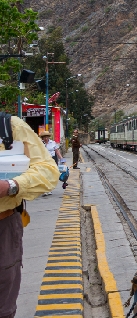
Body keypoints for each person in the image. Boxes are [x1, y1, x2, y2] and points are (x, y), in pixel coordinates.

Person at [0, 113, 59, 318]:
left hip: (3, 225)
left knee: (3, 306)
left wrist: (11, 186)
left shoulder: (10, 127)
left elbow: (48, 171)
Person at [40, 131, 62, 197]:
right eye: (44, 137)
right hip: (44, 160)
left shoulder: (53, 143)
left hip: (52, 160)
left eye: (47, 137)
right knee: (44, 175)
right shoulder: (41, 143)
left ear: (48, 137)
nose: (46, 138)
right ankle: (45, 190)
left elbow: (57, 151)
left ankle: (49, 189)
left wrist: (61, 158)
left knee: (50, 175)